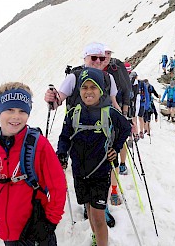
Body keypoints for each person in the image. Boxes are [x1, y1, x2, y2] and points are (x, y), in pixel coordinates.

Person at [0, 82, 66, 246]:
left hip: (37, 232)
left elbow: (58, 186)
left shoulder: (38, 145)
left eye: (22, 111)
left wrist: (49, 224)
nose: (16, 116)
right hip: (8, 234)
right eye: (9, 110)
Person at [44, 42, 121, 224]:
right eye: (93, 57)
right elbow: (57, 102)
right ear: (85, 58)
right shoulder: (74, 77)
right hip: (78, 134)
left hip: (103, 132)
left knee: (104, 169)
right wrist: (50, 98)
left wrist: (125, 121)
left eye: (101, 58)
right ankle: (89, 206)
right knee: (82, 169)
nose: (97, 61)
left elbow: (113, 102)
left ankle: (101, 209)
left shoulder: (109, 78)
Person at [56, 68, 131, 246]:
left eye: (93, 87)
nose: (89, 91)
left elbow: (126, 128)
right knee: (89, 210)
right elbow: (64, 137)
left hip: (100, 172)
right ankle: (96, 238)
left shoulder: (109, 112)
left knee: (98, 215)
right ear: (79, 90)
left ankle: (101, 242)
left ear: (100, 91)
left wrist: (116, 147)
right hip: (80, 172)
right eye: (84, 87)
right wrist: (61, 155)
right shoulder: (73, 114)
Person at [102, 45, 131, 176]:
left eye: (109, 53)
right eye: (105, 53)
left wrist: (124, 112)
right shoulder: (95, 68)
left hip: (116, 109)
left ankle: (122, 164)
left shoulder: (116, 68)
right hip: (105, 110)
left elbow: (126, 89)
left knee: (120, 138)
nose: (107, 56)